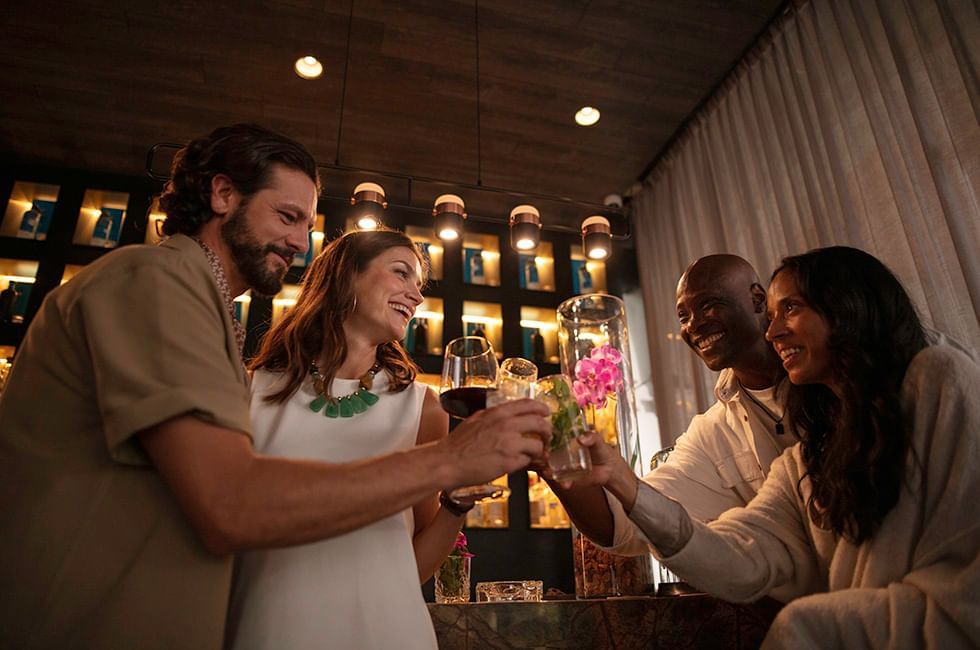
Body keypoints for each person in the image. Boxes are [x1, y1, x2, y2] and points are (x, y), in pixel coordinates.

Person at [0, 124, 551, 650]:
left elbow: (399, 563)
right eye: (287, 216)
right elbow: (229, 502)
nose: (298, 242)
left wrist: (453, 497)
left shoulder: (204, 313)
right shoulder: (159, 284)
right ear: (222, 194)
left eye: (306, 227)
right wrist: (451, 460)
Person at [577, 246, 980, 647]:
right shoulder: (805, 461)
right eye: (683, 315)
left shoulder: (936, 376)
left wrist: (813, 624)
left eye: (790, 310)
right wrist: (620, 480)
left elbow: (962, 576)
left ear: (848, 306)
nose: (773, 331)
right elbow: (741, 556)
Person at [226, 228, 455, 649]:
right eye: (402, 274)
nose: (416, 297)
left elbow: (414, 566)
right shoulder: (249, 390)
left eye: (419, 285)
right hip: (269, 630)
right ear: (346, 277)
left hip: (390, 632)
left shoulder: (425, 407)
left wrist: (459, 503)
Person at [550, 254, 796, 556]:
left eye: (709, 304)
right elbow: (625, 527)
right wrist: (553, 459)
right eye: (683, 316)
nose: (694, 325)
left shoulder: (830, 379)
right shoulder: (712, 433)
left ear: (758, 299)